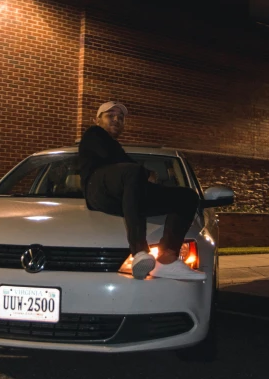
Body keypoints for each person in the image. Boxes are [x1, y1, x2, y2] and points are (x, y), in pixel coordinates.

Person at [78, 101, 205, 281]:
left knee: (187, 197)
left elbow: (126, 168)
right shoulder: (94, 134)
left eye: (120, 118)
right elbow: (112, 157)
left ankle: (166, 260)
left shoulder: (120, 153)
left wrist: (153, 185)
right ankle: (139, 251)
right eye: (110, 115)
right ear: (97, 120)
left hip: (126, 197)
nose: (116, 120)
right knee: (133, 171)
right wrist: (145, 173)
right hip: (98, 191)